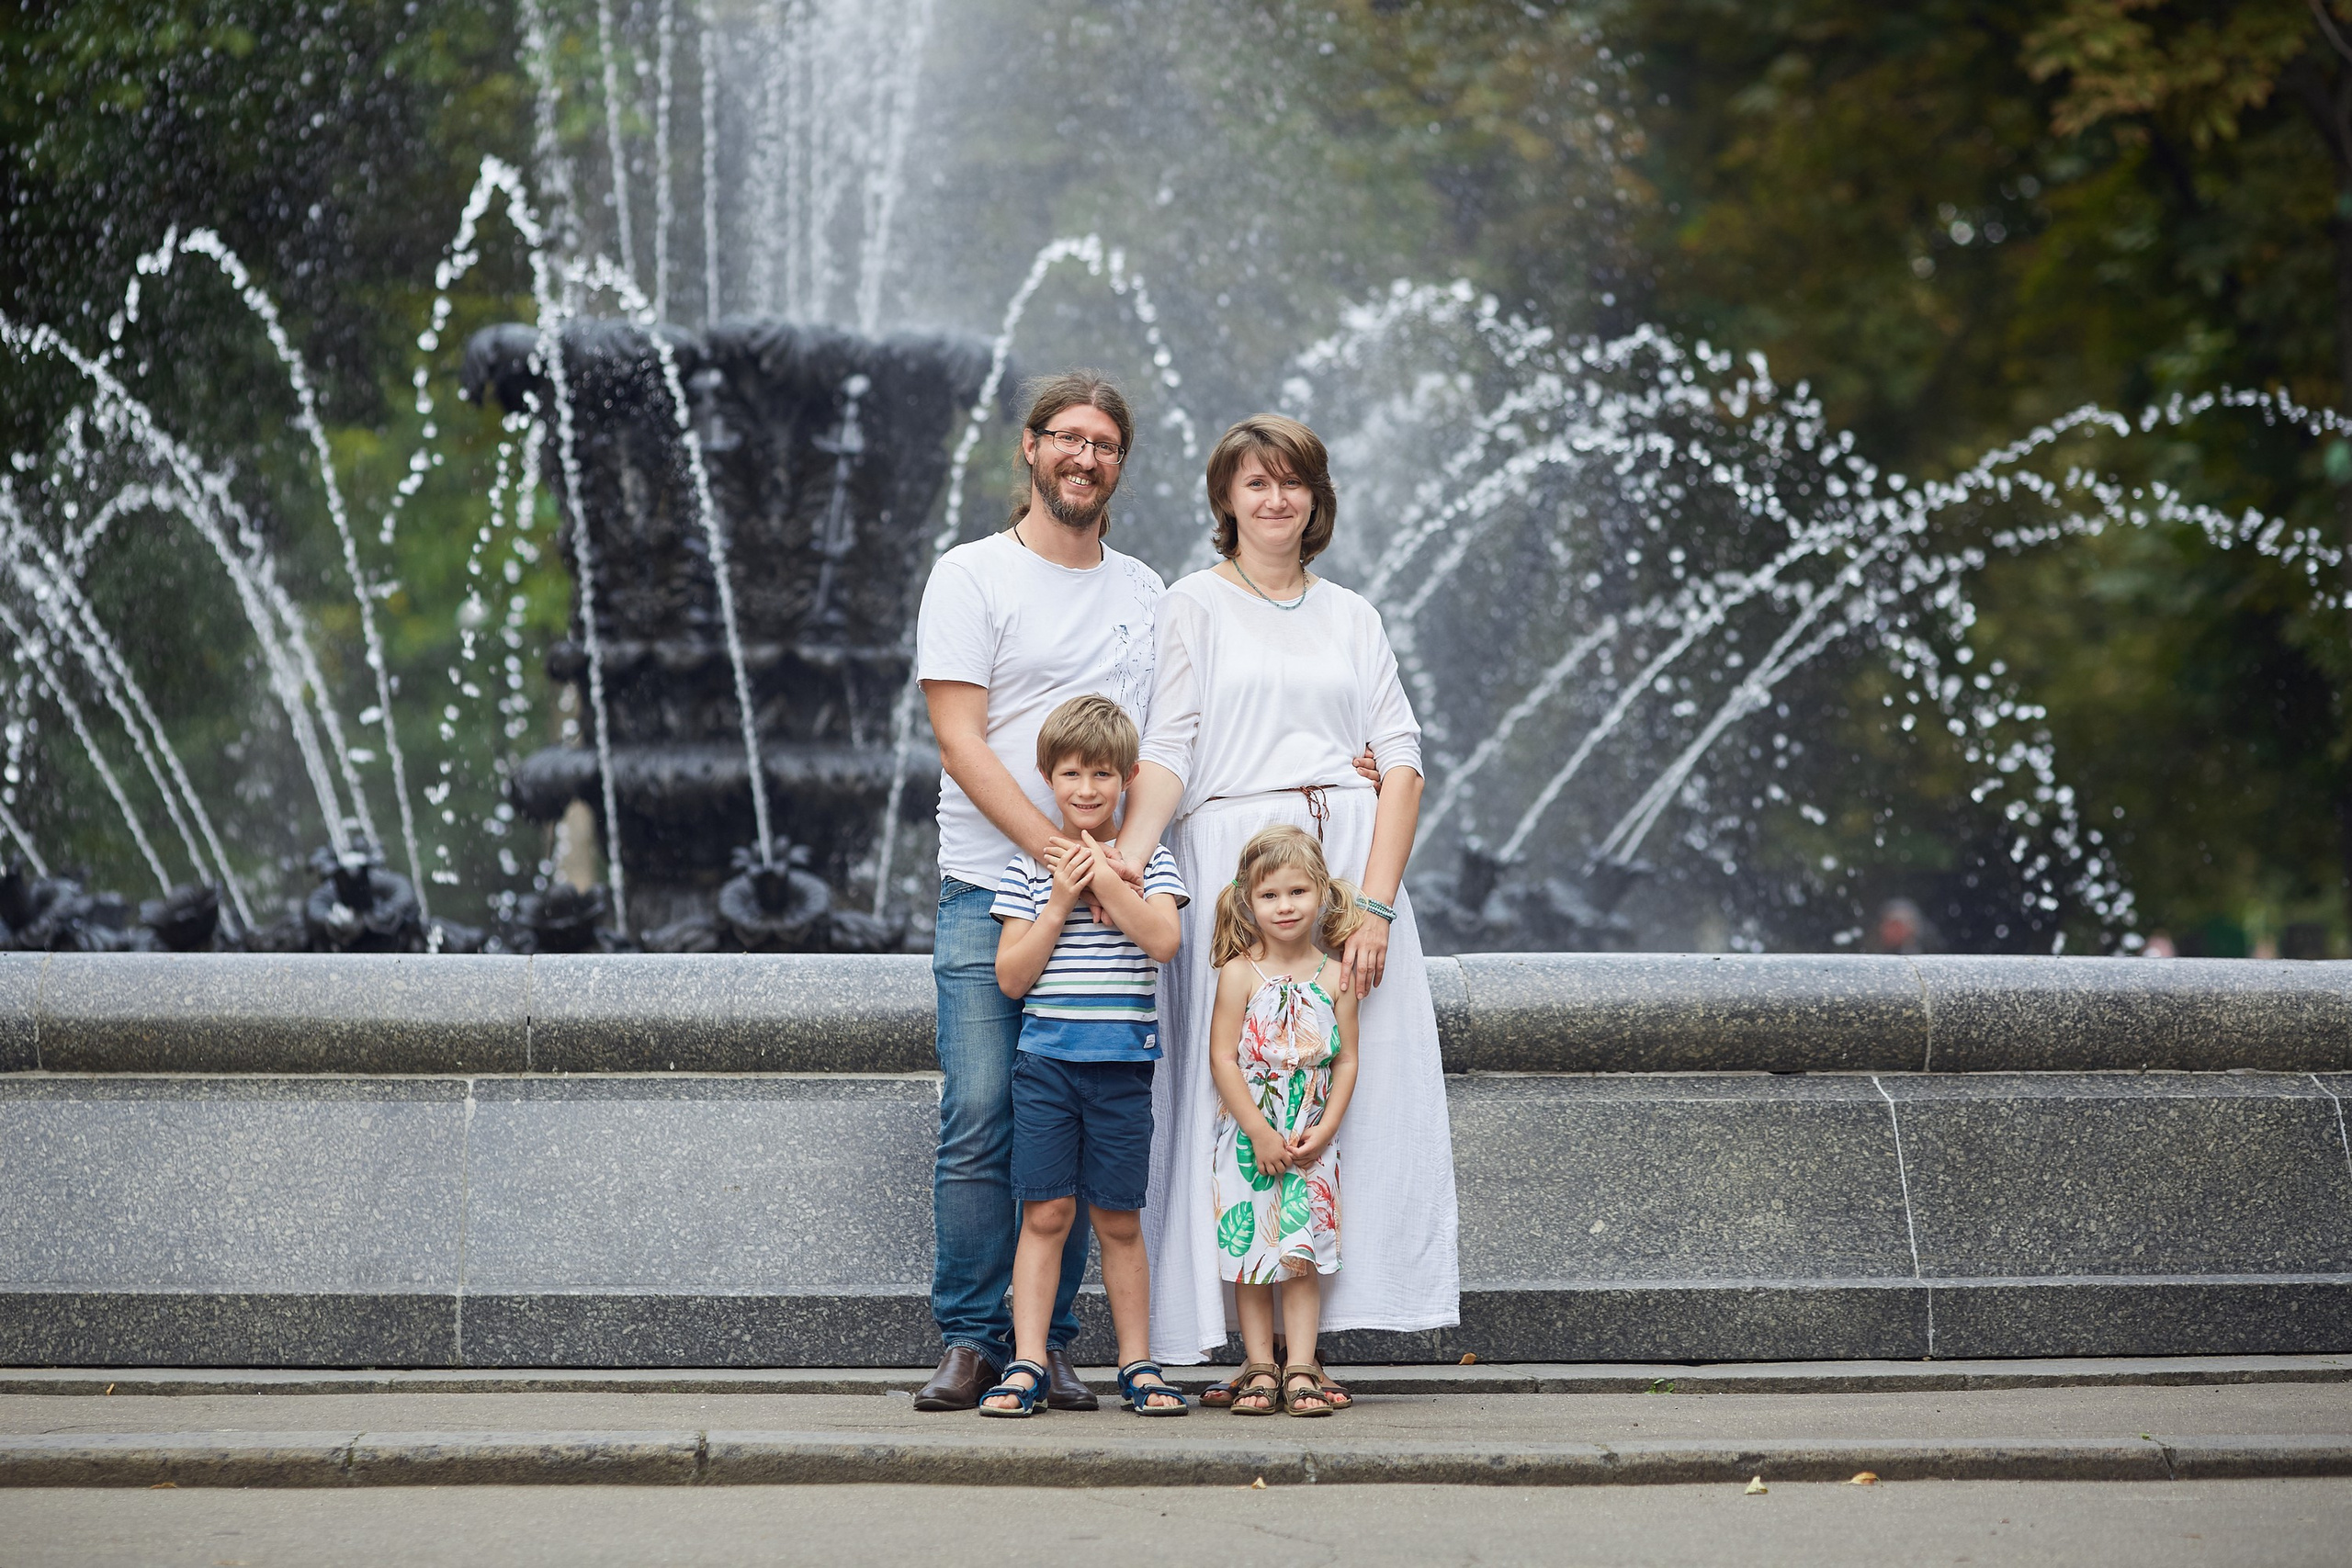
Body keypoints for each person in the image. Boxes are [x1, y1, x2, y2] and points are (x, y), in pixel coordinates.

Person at [1117, 412, 1461, 1387]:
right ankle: (1241, 1345)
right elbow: (1169, 744)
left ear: (1316, 499)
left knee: (1357, 1080)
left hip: (1346, 866)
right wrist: (1133, 861)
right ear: (1226, 499)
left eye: (1292, 483)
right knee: (1233, 1090)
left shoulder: (1350, 612)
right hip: (1238, 866)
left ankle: (1328, 1338)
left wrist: (1377, 907)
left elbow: (1401, 760)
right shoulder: (1192, 603)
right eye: (1255, 483)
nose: (1275, 499)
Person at [911, 371, 1165, 1413]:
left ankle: (1045, 1346)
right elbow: (959, 739)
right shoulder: (971, 577)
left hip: (1109, 899)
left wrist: (1118, 861)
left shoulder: (1146, 591)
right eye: (1067, 437)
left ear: (1119, 463)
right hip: (992, 886)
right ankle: (969, 1339)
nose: (1084, 457)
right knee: (981, 1112)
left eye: (1105, 444)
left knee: (1073, 1119)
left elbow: (1165, 745)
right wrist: (1059, 858)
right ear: (1029, 448)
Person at [978, 696, 1190, 1416]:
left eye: (1103, 772)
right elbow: (1011, 975)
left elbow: (1163, 941)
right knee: (1044, 1213)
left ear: (1129, 776)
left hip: (1121, 1069)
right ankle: (1028, 1359)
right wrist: (1060, 898)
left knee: (1119, 1217)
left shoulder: (1147, 864)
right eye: (1071, 772)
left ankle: (1138, 1362)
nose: (1088, 788)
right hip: (1046, 1066)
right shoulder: (1028, 872)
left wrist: (1104, 876)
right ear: (1046, 776)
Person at [1205, 826, 1363, 1417]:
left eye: (1298, 891)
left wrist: (1324, 1131)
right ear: (1249, 900)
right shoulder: (1240, 972)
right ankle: (1260, 1368)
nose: (1286, 906)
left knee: (1302, 1257)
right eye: (1270, 895)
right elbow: (1222, 1057)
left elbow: (1346, 1059)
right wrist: (1256, 1130)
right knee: (1251, 1257)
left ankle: (1301, 1365)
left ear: (1321, 892)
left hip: (1311, 1142)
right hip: (1251, 1139)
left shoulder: (1335, 974)